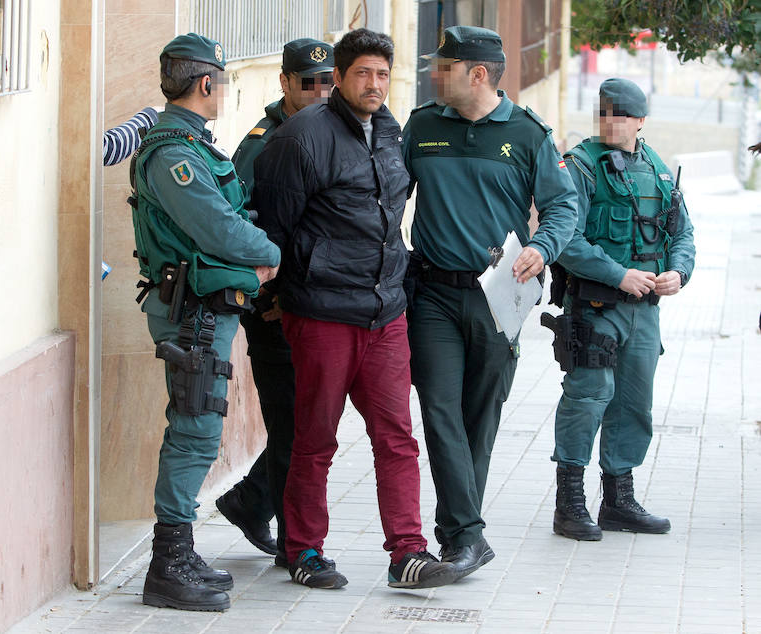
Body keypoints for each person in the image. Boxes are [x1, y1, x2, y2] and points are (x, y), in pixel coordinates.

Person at [252, 28, 458, 591]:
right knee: (315, 437)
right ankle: (305, 549)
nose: (375, 84)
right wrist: (286, 292)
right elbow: (274, 229)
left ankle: (408, 552)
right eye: (363, 73)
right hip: (321, 315)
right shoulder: (301, 138)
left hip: (386, 313)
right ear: (340, 77)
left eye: (384, 74)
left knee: (396, 436)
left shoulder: (391, 130)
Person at [401, 26, 577, 577]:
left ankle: (459, 535)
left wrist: (543, 249)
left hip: (498, 298)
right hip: (431, 292)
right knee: (437, 407)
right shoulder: (422, 126)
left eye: (445, 65)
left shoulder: (528, 135)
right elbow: (383, 195)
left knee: (481, 415)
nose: (435, 73)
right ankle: (467, 535)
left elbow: (562, 206)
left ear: (476, 74)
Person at [128, 33, 280, 612]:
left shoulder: (190, 145)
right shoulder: (174, 154)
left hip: (205, 308)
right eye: (223, 78)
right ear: (207, 81)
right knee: (193, 430)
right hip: (190, 312)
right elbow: (216, 226)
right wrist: (271, 253)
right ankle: (167, 563)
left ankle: (180, 550)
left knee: (199, 427)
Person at [546, 78, 695, 540]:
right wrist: (619, 274)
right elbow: (566, 239)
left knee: (634, 403)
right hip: (595, 306)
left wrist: (678, 273)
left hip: (645, 310)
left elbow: (683, 233)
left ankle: (619, 500)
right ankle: (570, 504)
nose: (611, 122)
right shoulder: (581, 166)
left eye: (621, 114)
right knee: (588, 397)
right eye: (605, 113)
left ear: (640, 120)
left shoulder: (659, 168)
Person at [214, 38, 334, 563]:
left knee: (313, 421)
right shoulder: (264, 144)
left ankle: (251, 498)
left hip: (327, 305)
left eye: (328, 81)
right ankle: (295, 542)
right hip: (277, 309)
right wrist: (274, 295)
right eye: (308, 82)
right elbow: (242, 226)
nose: (320, 91)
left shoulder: (342, 129)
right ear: (284, 84)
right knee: (293, 423)